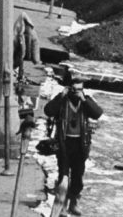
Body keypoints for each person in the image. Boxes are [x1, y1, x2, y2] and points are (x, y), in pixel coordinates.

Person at [44, 73, 103, 216]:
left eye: (79, 89)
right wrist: (60, 96)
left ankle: (73, 202)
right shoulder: (63, 101)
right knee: (63, 176)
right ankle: (62, 205)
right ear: (69, 88)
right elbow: (48, 111)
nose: (76, 92)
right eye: (74, 89)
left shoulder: (85, 101)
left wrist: (84, 99)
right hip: (64, 144)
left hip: (80, 145)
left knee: (77, 177)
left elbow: (98, 113)